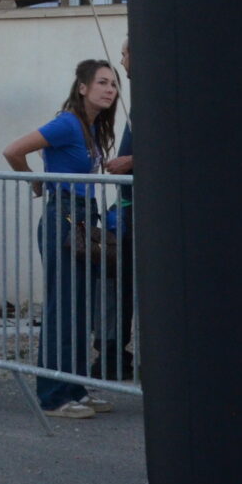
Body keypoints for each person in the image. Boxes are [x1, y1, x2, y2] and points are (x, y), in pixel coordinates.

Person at [3, 59, 122, 419]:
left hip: (83, 217)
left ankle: (75, 387)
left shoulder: (91, 126)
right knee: (63, 307)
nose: (110, 90)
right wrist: (36, 182)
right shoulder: (68, 123)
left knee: (80, 307)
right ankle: (53, 395)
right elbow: (13, 150)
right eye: (102, 82)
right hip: (65, 218)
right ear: (83, 87)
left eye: (114, 84)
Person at [100, 38, 135, 382]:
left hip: (139, 212)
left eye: (124, 54)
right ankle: (112, 351)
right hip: (124, 209)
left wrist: (131, 161)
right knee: (117, 283)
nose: (122, 61)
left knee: (127, 284)